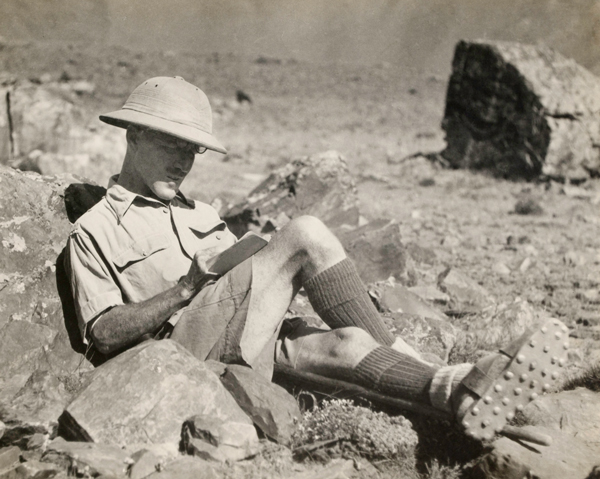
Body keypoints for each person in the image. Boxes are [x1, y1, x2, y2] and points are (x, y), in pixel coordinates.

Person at [66, 76, 567, 442]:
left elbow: (241, 283)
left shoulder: (201, 210)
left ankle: (453, 391)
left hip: (248, 336)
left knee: (346, 344)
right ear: (132, 135)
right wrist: (185, 287)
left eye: (193, 150)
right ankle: (432, 363)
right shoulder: (96, 229)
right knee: (306, 233)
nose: (183, 160)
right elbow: (103, 333)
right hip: (184, 353)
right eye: (171, 143)